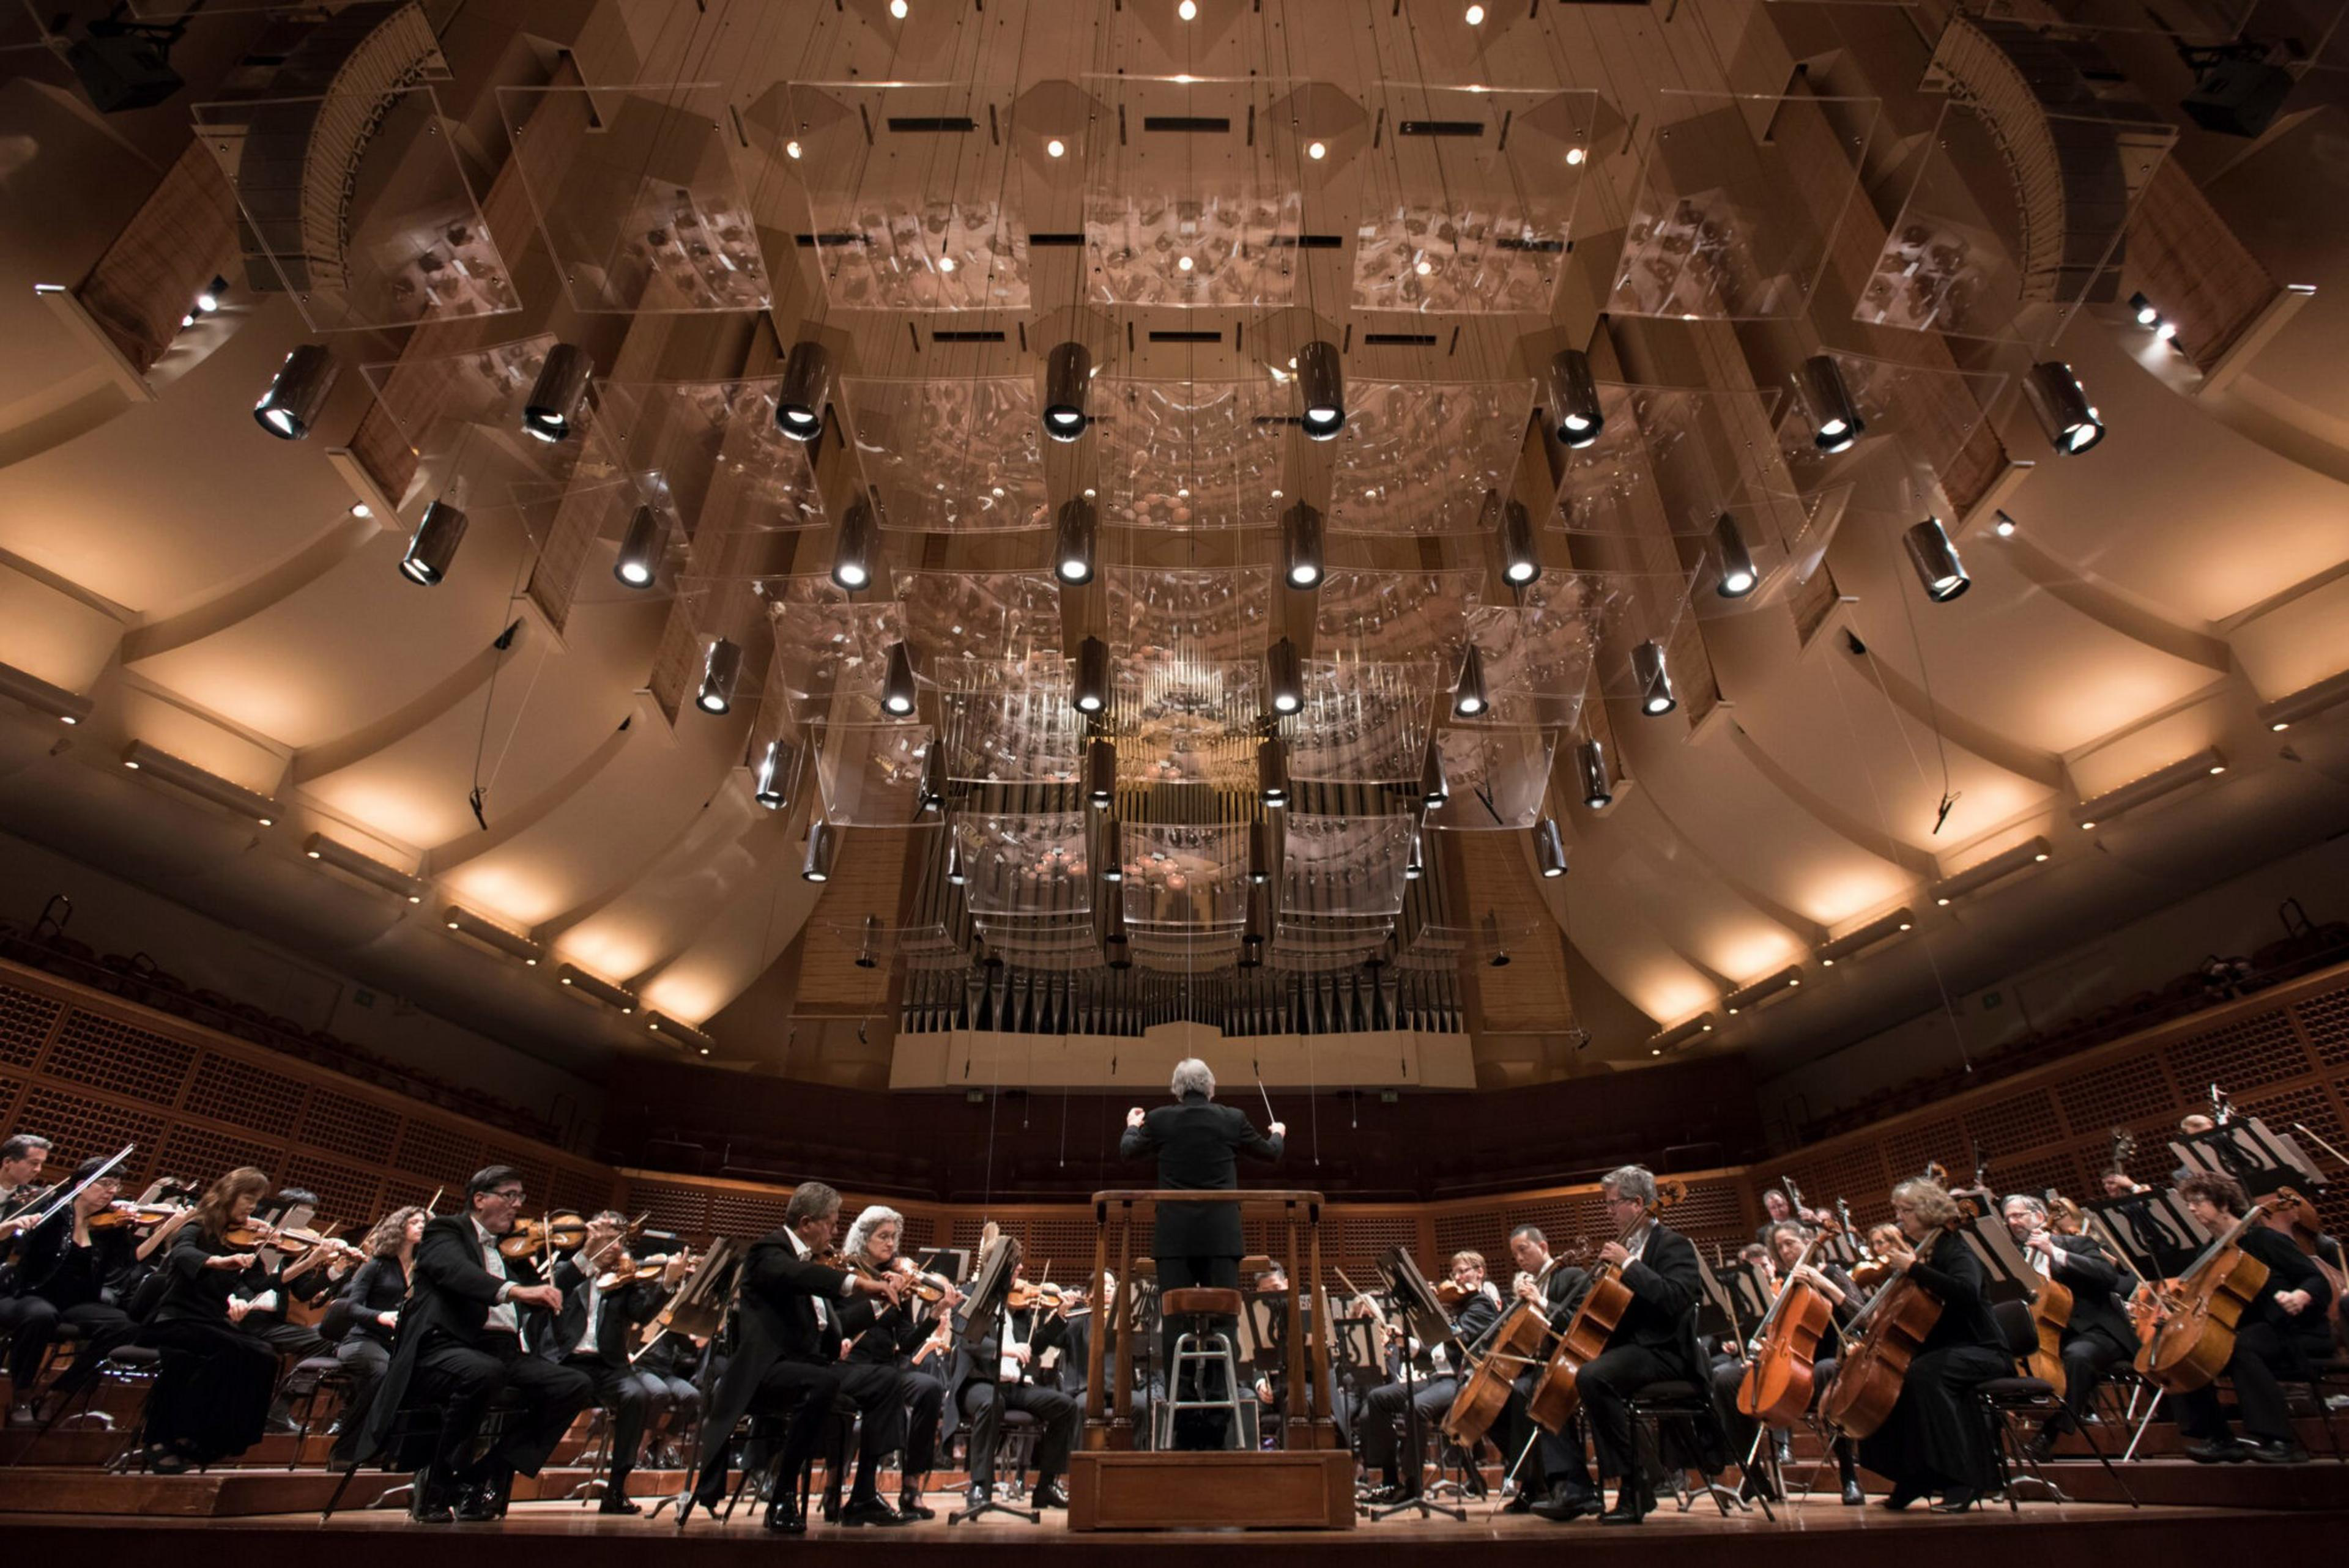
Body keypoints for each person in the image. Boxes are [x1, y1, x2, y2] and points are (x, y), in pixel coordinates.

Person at [351, 1166, 593, 1523]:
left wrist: (591, 1253)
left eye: (521, 1198)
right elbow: (454, 1272)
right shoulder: (445, 1231)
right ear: (480, 1199)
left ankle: (475, 1477)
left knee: (575, 1385)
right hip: (446, 1346)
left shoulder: (512, 1250)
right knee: (483, 1373)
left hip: (504, 1351)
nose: (518, 1205)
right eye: (510, 1195)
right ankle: (436, 1483)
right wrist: (514, 1290)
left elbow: (548, 1289)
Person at [685, 1180, 911, 1533]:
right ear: (807, 1223)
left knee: (885, 1380)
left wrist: (878, 1304)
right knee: (822, 1382)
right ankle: (783, 1491)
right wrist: (859, 1284)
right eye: (832, 1224)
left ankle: (863, 1495)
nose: (836, 1232)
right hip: (765, 1373)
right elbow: (798, 1276)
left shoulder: (811, 1263)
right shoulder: (768, 1252)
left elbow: (835, 1326)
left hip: (808, 1366)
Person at [1119, 1057, 1283, 1449]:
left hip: (1174, 1241)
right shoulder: (1232, 1118)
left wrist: (1131, 1125)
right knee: (1223, 1327)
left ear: (1177, 1090)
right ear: (1212, 1087)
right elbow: (1270, 1153)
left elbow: (1128, 1152)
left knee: (1176, 1328)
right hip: (1221, 1239)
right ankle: (1218, 1418)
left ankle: (1184, 1414)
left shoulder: (1159, 1119)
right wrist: (1277, 1133)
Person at [1551, 1166, 1716, 1525]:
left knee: (1594, 1377)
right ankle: (1583, 1487)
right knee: (1569, 1377)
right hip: (1637, 1351)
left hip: (1668, 1353)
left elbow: (1675, 1299)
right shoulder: (1628, 1247)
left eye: (1613, 1204)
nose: (1608, 1212)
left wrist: (1627, 1264)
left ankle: (1635, 1483)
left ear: (1638, 1203)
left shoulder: (1674, 1245)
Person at [1852, 1179, 2006, 1511]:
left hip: (1983, 1348)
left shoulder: (1955, 1247)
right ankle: (1913, 1478)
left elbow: (1966, 1292)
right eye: (1898, 1211)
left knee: (1923, 1376)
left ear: (1927, 1211)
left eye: (1905, 1211)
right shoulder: (1927, 1251)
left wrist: (1914, 1269)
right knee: (1890, 1380)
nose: (1899, 1218)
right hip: (1948, 1349)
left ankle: (1963, 1481)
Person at [2169, 1172, 2331, 1463]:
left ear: (2223, 1203)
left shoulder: (2264, 1239)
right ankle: (2218, 1437)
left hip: (2291, 1329)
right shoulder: (2209, 1251)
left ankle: (2281, 1441)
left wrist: (2300, 1297)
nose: (2191, 1209)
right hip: (2246, 1329)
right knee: (2188, 1353)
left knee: (2240, 1347)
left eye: (2198, 1201)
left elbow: (2315, 1280)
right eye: (2188, 1203)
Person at [1710, 1222, 1868, 1506]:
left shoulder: (1832, 1273)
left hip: (1829, 1360)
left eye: (1790, 1243)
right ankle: (1755, 1476)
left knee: (1825, 1371)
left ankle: (1849, 1477)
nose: (1785, 1251)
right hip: (1786, 1360)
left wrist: (1827, 1286)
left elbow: (1865, 1317)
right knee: (1726, 1382)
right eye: (1780, 1247)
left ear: (1807, 1240)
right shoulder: (1783, 1283)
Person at [136, 1167, 282, 1472]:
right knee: (226, 1351)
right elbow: (183, 1254)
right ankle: (163, 1437)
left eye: (256, 1202)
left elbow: (261, 1285)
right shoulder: (196, 1226)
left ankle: (214, 1437)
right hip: (175, 1318)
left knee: (265, 1356)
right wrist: (219, 1261)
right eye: (248, 1198)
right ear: (230, 1194)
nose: (252, 1207)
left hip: (210, 1321)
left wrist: (312, 1260)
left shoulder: (244, 1238)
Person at [547, 1211, 692, 1515]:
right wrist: (588, 1258)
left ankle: (616, 1489)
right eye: (609, 1237)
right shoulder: (566, 1269)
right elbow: (552, 1293)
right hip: (564, 1361)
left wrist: (668, 1280)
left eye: (619, 1240)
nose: (615, 1246)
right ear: (592, 1235)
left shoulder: (626, 1279)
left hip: (608, 1366)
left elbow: (641, 1315)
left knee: (637, 1395)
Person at [944, 1240, 1080, 1515]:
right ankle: (979, 1485)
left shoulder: (1016, 1305)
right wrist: (1006, 1349)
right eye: (1014, 1262)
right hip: (978, 1382)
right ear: (997, 1266)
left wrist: (1060, 1316)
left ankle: (1047, 1486)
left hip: (1012, 1385)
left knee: (1066, 1406)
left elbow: (1035, 1347)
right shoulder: (971, 1294)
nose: (1020, 1267)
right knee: (990, 1404)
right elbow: (967, 1341)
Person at [3, 1155, 141, 1424]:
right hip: (33, 1293)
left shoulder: (108, 1225)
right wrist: (19, 1225)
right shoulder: (53, 1212)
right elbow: (14, 1243)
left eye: (116, 1186)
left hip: (77, 1303)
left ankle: (57, 1391)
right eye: (105, 1184)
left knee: (124, 1327)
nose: (112, 1191)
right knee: (41, 1316)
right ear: (81, 1185)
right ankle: (21, 1393)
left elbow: (129, 1262)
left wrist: (158, 1227)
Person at [2000, 1194, 2136, 1459]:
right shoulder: (2017, 1260)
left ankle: (2051, 1434)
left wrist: (2055, 1253)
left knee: (2078, 1358)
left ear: (2039, 1217)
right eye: (2008, 1219)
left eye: (2019, 1215)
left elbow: (2109, 1277)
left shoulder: (2076, 1243)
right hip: (2054, 1337)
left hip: (2097, 1332)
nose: (2013, 1222)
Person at [1359, 1250, 1499, 1504]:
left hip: (1462, 1380)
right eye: (1453, 1272)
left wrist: (1435, 1315)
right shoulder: (1458, 1307)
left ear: (1480, 1272)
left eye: (1463, 1271)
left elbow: (1460, 1341)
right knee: (1378, 1398)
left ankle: (1411, 1485)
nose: (1456, 1278)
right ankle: (1391, 1480)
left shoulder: (1482, 1304)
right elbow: (1436, 1352)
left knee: (1416, 1406)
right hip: (1439, 1378)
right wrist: (1406, 1341)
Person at [842, 1204, 954, 1520]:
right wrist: (881, 1296)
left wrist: (934, 1314)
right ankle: (858, 1489)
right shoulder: (848, 1275)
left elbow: (906, 1343)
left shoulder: (898, 1280)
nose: (891, 1244)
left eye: (894, 1237)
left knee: (930, 1388)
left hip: (887, 1366)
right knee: (886, 1385)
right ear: (863, 1239)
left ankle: (910, 1486)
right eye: (883, 1236)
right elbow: (842, 1322)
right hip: (854, 1365)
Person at [1493, 1224, 1589, 1518]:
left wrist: (1542, 1302)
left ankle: (1559, 1484)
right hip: (1538, 1366)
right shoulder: (1530, 1285)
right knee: (1496, 1402)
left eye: (1524, 1250)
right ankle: (1533, 1480)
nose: (1520, 1259)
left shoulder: (1570, 1277)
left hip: (1571, 1362)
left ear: (1544, 1247)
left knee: (1528, 1392)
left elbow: (1580, 1323)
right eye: (1515, 1254)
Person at [326, 1205, 422, 1466]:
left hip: (394, 1346)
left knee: (419, 1379)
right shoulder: (377, 1265)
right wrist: (380, 1316)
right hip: (361, 1340)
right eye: (414, 1222)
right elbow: (351, 1307)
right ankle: (344, 1451)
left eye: (424, 1223)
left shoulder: (420, 1272)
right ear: (399, 1228)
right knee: (382, 1375)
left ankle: (389, 1451)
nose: (421, 1226)